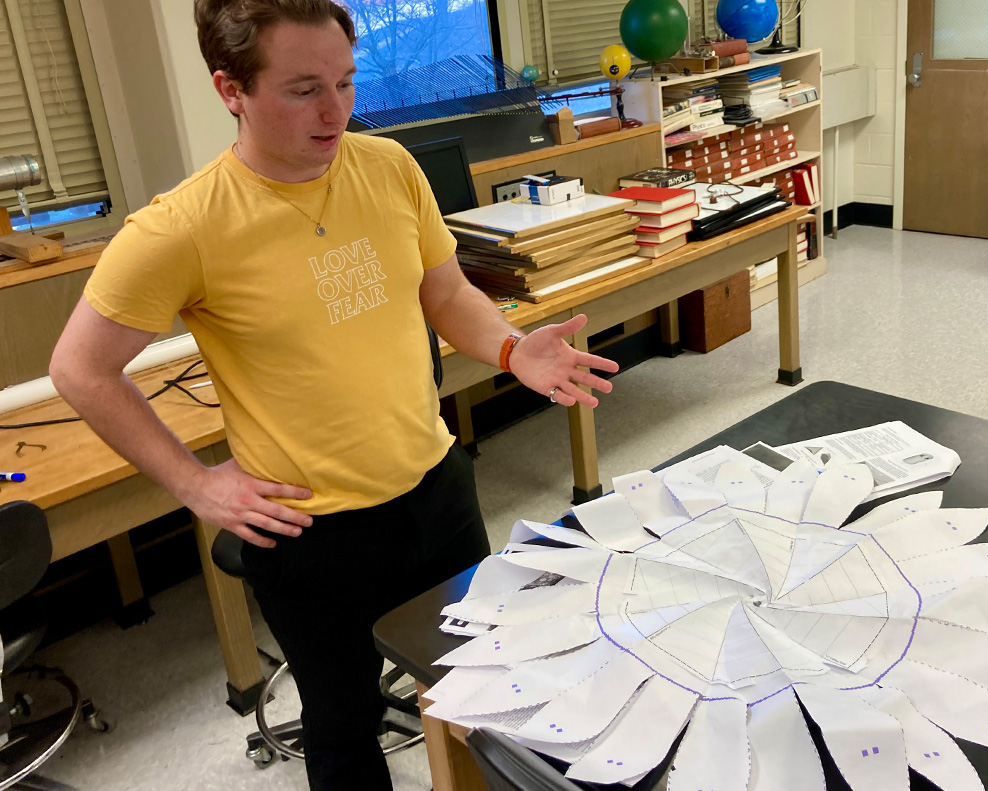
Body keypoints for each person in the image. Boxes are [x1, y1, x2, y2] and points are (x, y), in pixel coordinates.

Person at [48, 1, 619, 788]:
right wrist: (196, 483)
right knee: (345, 724)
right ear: (231, 89)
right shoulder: (180, 227)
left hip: (436, 486)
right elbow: (80, 368)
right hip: (312, 533)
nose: (335, 111)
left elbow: (445, 293)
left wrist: (512, 348)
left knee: (485, 684)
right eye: (303, 88)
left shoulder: (389, 168)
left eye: (347, 83)